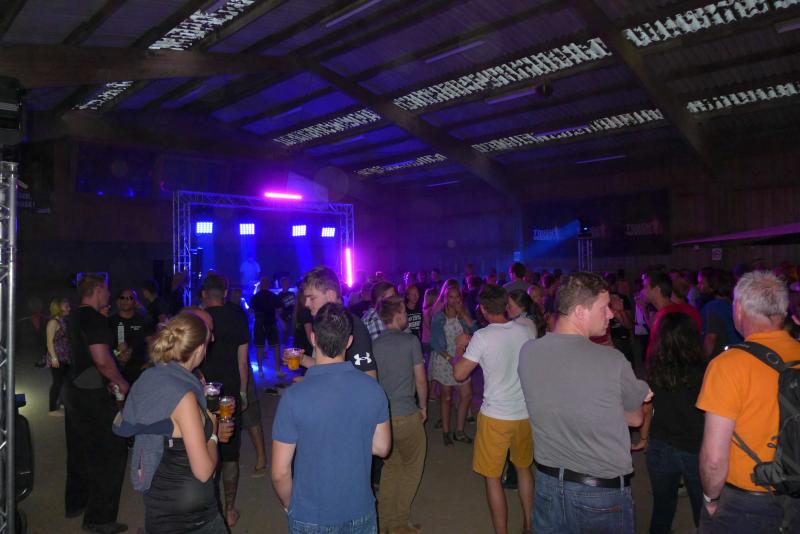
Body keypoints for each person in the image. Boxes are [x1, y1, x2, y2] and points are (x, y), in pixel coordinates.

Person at [519, 272, 651, 534]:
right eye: (604, 307)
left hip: (547, 486)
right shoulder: (611, 360)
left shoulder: (528, 351)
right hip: (599, 493)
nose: (611, 314)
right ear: (579, 311)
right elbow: (636, 418)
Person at [271, 303, 391, 533]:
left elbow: (279, 472)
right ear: (349, 341)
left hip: (310, 515)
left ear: (313, 339)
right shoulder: (373, 389)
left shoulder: (293, 397)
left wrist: (289, 505)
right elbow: (382, 448)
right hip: (360, 511)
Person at [697, 271, 800, 532]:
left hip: (748, 502)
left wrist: (711, 498)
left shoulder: (729, 365)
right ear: (784, 311)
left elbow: (714, 459)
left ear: (739, 309)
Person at [113, 312, 232, 534]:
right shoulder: (183, 396)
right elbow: (204, 471)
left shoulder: (150, 378)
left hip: (157, 502)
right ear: (199, 349)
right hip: (192, 516)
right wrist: (213, 434)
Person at [453, 285, 535, 534]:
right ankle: (529, 525)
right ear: (506, 305)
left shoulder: (482, 337)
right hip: (523, 413)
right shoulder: (526, 330)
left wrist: (459, 347)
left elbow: (459, 374)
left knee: (492, 477)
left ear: (483, 309)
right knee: (524, 469)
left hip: (496, 416)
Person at [63, 275, 129, 534]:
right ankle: (99, 519)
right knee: (110, 452)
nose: (109, 295)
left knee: (79, 449)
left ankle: (77, 502)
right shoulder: (94, 319)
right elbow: (101, 360)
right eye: (106, 290)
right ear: (97, 290)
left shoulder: (74, 316)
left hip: (74, 388)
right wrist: (120, 381)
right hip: (91, 394)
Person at [645, 312, 706, 533]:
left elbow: (648, 407)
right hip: (695, 446)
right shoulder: (704, 369)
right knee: (703, 510)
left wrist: (644, 437)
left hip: (661, 443)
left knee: (662, 507)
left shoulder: (654, 367)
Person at [198, 273, 250, 528]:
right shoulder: (238, 314)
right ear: (225, 292)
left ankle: (207, 510)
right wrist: (243, 392)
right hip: (229, 393)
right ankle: (229, 510)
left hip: (202, 393)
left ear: (203, 294)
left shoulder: (197, 318)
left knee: (201, 447)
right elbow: (242, 361)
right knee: (230, 454)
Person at [373, 297, 427, 534]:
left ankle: (384, 521)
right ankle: (399, 523)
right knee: (412, 466)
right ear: (397, 316)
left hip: (384, 418)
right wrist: (423, 407)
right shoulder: (410, 341)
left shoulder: (375, 344)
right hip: (406, 414)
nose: (407, 315)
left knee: (391, 467)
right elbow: (421, 379)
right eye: (404, 312)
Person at [299, 266, 377, 378]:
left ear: (330, 296)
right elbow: (329, 367)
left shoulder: (352, 326)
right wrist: (302, 359)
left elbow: (369, 379)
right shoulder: (324, 323)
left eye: (311, 298)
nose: (306, 304)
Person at [430, 283, 476, 445]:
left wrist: (462, 313)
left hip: (461, 359)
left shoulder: (463, 315)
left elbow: (475, 331)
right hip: (445, 360)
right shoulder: (439, 317)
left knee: (466, 395)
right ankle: (446, 431)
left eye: (457, 297)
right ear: (445, 298)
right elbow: (435, 343)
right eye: (451, 297)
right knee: (447, 398)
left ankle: (459, 431)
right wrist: (451, 359)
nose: (454, 300)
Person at [109, 288, 154, 385]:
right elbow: (106, 347)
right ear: (118, 301)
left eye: (130, 298)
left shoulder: (143, 320)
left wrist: (150, 362)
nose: (125, 300)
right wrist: (118, 354)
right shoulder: (110, 321)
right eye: (122, 298)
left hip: (139, 371)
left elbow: (152, 344)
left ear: (135, 302)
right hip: (117, 373)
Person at [700, 270, 742, 359]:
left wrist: (703, 360)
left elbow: (710, 338)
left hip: (721, 357)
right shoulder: (735, 305)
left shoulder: (712, 307)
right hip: (737, 354)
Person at [250, 277, 283, 377]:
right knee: (276, 347)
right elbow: (279, 309)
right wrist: (278, 318)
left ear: (260, 285)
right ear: (268, 285)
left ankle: (260, 370)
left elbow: (251, 311)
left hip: (260, 324)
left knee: (260, 348)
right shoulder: (273, 296)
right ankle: (277, 370)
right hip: (271, 323)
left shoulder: (255, 297)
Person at [46, 297, 71, 415]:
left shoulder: (62, 321)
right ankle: (52, 409)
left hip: (64, 356)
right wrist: (54, 358)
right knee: (57, 383)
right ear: (58, 308)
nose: (69, 308)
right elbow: (49, 342)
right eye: (66, 306)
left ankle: (62, 403)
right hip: (57, 357)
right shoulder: (53, 322)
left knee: (65, 382)